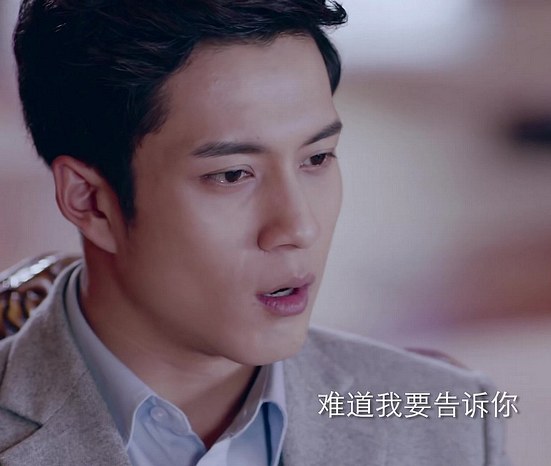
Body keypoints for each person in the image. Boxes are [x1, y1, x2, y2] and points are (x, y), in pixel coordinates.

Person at [0, 1, 510, 465]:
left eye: (317, 158)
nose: (299, 227)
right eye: (231, 175)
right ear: (91, 202)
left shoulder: (448, 422)